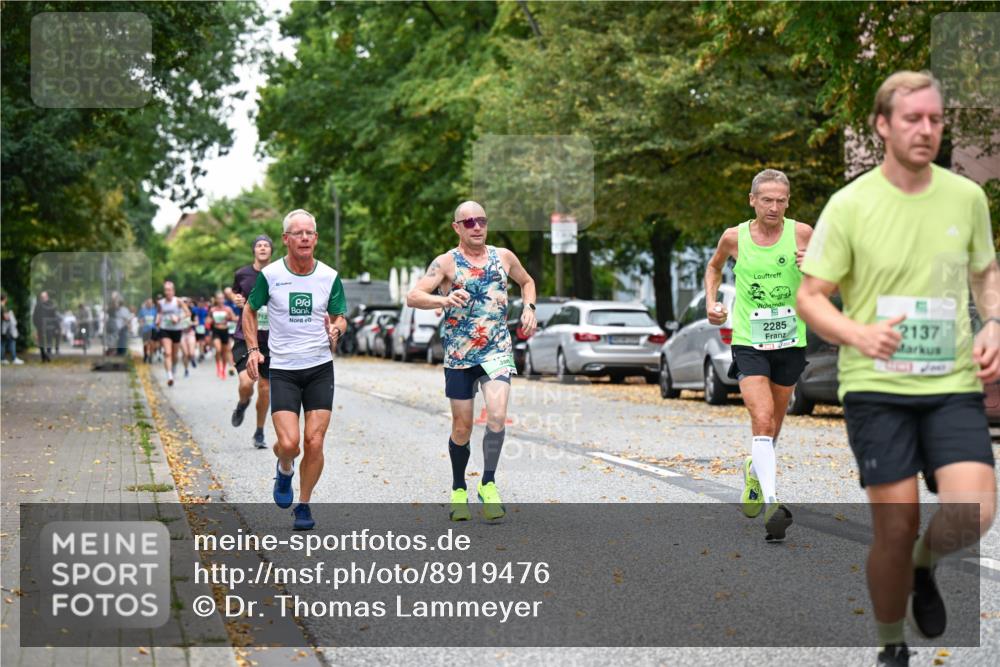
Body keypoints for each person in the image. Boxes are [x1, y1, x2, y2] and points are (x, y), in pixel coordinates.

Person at [797, 71, 998, 667]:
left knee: (975, 509)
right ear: (883, 125)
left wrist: (993, 323)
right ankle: (891, 644)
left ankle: (925, 565)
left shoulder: (965, 197)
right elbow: (812, 295)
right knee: (896, 524)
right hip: (876, 386)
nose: (927, 130)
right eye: (913, 118)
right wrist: (856, 332)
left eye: (936, 119)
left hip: (951, 383)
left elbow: (986, 272)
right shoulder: (851, 205)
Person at [407, 200, 537, 522]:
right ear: (457, 228)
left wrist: (529, 308)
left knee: (496, 416)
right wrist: (443, 298)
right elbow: (413, 296)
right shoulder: (446, 263)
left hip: (496, 351)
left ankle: (488, 483)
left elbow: (528, 282)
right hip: (460, 355)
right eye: (469, 223)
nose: (476, 227)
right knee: (462, 427)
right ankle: (458, 488)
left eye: (481, 220)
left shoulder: (503, 257)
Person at [704, 169, 812, 541]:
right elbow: (714, 267)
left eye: (781, 200)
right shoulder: (734, 237)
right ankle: (772, 504)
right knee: (762, 419)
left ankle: (754, 470)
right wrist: (711, 302)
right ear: (752, 200)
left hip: (790, 342)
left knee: (774, 426)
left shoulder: (803, 234)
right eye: (767, 199)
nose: (774, 206)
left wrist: (813, 270)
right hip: (749, 341)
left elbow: (831, 281)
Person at [244, 209, 346, 531]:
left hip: (319, 368)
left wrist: (337, 330)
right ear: (286, 239)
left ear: (315, 239)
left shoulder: (329, 276)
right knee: (290, 444)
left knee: (314, 441)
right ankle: (284, 466)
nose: (304, 238)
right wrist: (253, 350)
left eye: (309, 233)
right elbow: (249, 311)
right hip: (284, 369)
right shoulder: (271, 275)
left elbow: (339, 315)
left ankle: (303, 504)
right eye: (297, 233)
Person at [230, 234, 274, 449]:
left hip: (270, 339)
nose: (263, 248)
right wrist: (236, 299)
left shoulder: (278, 274)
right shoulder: (242, 274)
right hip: (245, 336)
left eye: (267, 245)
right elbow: (235, 293)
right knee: (247, 383)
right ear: (254, 250)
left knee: (265, 389)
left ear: (271, 251)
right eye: (259, 245)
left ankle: (259, 431)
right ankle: (242, 403)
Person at [156, 281, 190, 386]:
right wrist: (157, 319)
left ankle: (173, 366)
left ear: (173, 291)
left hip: (176, 330)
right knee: (167, 353)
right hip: (164, 329)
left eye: (169, 290)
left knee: (174, 355)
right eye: (166, 290)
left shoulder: (178, 301)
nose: (167, 292)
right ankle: (169, 376)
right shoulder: (160, 302)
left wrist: (178, 318)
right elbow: (160, 312)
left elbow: (188, 313)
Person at [208, 292, 238, 379]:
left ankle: (223, 370)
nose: (221, 300)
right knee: (218, 349)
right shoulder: (213, 310)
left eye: (222, 298)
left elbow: (233, 318)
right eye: (219, 298)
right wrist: (210, 320)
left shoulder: (227, 309)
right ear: (216, 300)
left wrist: (233, 318)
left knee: (225, 352)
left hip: (225, 331)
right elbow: (208, 320)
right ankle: (218, 367)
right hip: (216, 331)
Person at [31, 291, 59, 362]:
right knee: (41, 342)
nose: (43, 298)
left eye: (44, 297)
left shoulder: (51, 304)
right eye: (42, 297)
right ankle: (43, 357)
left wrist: (55, 326)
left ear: (47, 297)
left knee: (49, 341)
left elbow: (54, 316)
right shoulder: (38, 305)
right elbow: (35, 316)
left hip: (49, 327)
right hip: (40, 327)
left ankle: (48, 355)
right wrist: (37, 325)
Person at [1, 293, 24, 365]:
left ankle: (2, 359)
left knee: (2, 343)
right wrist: (10, 314)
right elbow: (5, 317)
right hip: (5, 329)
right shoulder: (2, 307)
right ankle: (14, 358)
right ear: (5, 299)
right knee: (12, 341)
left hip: (2, 329)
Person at [138, 298, 158, 363]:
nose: (149, 304)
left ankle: (151, 356)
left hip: (153, 329)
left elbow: (157, 319)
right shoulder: (142, 311)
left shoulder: (155, 311)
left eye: (150, 303)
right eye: (148, 303)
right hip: (145, 329)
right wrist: (141, 322)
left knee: (152, 343)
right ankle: (145, 354)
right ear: (146, 303)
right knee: (145, 344)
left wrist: (157, 324)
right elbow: (139, 319)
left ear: (152, 304)